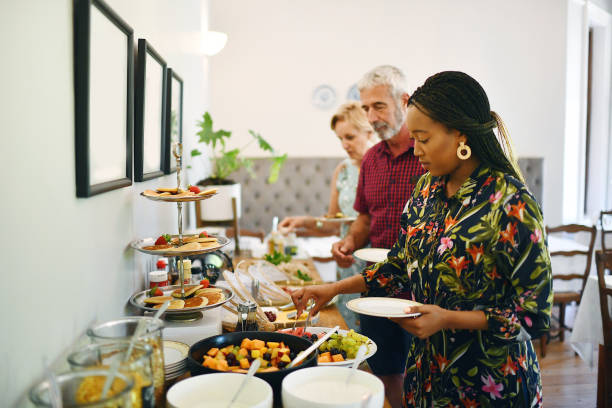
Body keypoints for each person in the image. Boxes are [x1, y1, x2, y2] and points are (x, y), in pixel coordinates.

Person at [292, 71, 552, 407]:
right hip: (428, 377)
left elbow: (535, 314)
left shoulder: (510, 203)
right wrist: (331, 289)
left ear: (459, 135)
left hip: (490, 382)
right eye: (413, 138)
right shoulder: (426, 189)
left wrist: (448, 318)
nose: (415, 150)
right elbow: (399, 263)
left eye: (424, 139)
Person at [330, 65, 425, 407]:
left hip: (423, 286)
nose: (371, 116)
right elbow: (365, 216)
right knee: (384, 368)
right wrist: (350, 242)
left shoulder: (428, 153)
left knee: (423, 371)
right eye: (366, 108)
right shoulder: (371, 159)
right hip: (378, 284)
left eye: (378, 106)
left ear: (404, 100)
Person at [279, 101, 375, 329]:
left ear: (369, 130)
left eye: (350, 137)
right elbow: (333, 223)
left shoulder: (381, 167)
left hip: (373, 258)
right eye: (340, 138)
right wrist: (302, 222)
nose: (344, 145)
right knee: (346, 322)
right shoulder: (342, 170)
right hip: (345, 257)